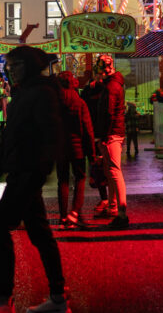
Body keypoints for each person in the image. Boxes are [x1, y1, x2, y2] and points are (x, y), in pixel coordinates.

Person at [0, 46, 68, 313]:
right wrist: (0, 165)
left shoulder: (41, 93)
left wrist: (37, 171)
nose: (11, 70)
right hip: (22, 170)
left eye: (16, 65)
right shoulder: (26, 92)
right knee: (39, 233)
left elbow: (49, 135)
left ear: (29, 65)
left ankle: (5, 298)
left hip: (27, 172)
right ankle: (57, 297)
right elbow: (11, 134)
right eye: (9, 66)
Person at [56, 70, 95, 228]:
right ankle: (75, 212)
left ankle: (63, 216)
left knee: (62, 181)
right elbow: (87, 130)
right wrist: (91, 154)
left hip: (59, 148)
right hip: (77, 147)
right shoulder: (79, 103)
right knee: (80, 178)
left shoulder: (54, 103)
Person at [96, 54, 129, 229]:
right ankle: (114, 207)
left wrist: (102, 135)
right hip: (116, 132)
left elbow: (107, 113)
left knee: (114, 172)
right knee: (112, 171)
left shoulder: (110, 88)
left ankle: (121, 212)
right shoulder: (116, 85)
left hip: (111, 134)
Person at [81, 68, 109, 216]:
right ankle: (107, 199)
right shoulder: (105, 90)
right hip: (101, 134)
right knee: (104, 167)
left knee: (100, 167)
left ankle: (107, 199)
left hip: (97, 134)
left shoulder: (89, 92)